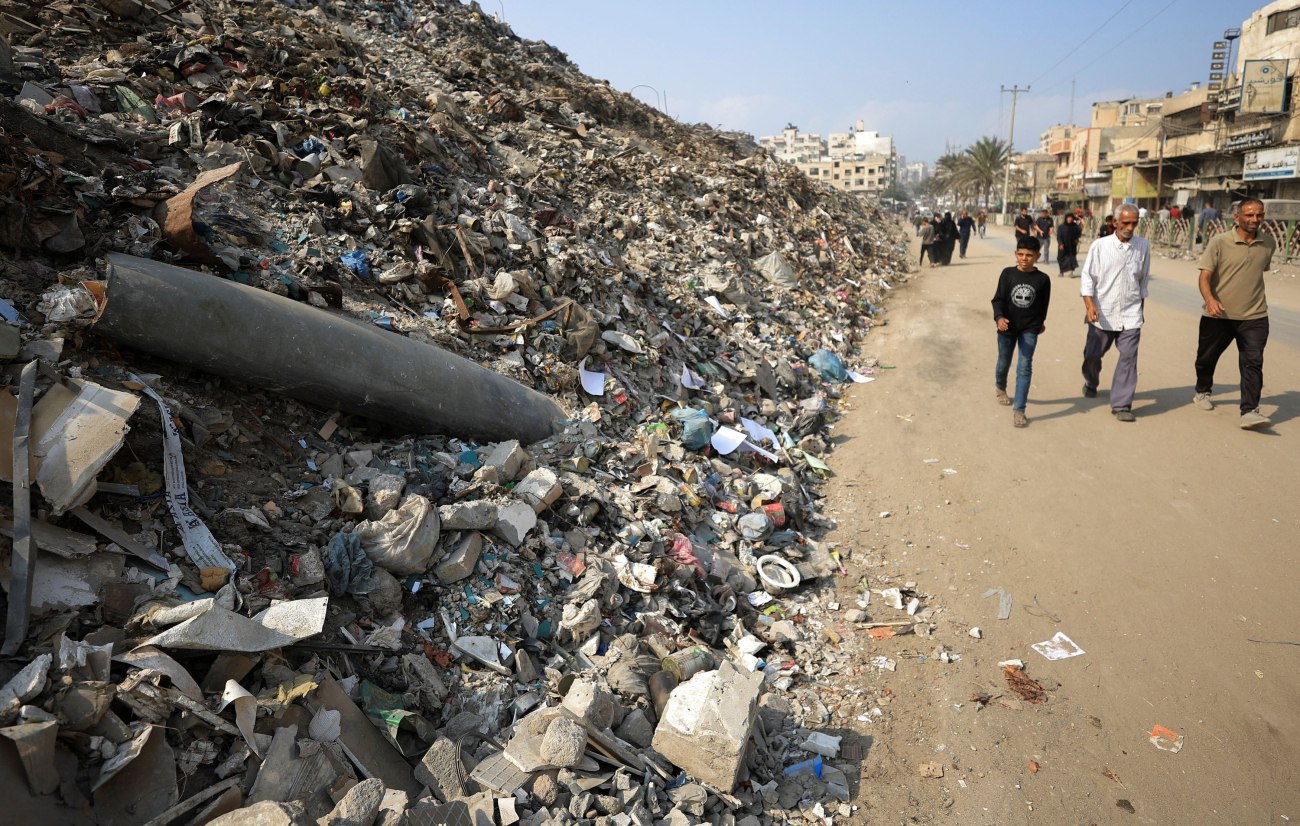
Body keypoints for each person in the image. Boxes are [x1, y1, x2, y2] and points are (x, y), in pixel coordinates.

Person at [1192, 198, 1275, 429]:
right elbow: (1204, 276)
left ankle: (1250, 410)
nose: (1255, 219)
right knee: (1206, 359)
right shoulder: (1220, 242)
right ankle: (1202, 390)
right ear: (1237, 217)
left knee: (1253, 362)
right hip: (1218, 315)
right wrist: (1210, 300)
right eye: (1249, 215)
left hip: (1255, 315)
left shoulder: (1268, 243)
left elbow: (1257, 271)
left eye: (1259, 215)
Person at [1079, 203, 1150, 422]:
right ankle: (1091, 381)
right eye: (1126, 223)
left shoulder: (1143, 246)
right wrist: (1090, 306)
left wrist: (1140, 311)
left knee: (1128, 357)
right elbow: (1087, 278)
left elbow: (1143, 282)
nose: (1130, 227)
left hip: (1131, 314)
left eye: (1134, 223)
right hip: (1102, 313)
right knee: (1093, 355)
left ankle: (1121, 405)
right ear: (1115, 222)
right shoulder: (1100, 246)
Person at [991, 236, 1051, 428]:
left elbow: (1043, 305)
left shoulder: (1043, 279)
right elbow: (998, 300)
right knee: (1004, 361)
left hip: (1029, 329)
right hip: (1007, 327)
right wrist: (999, 318)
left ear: (1037, 256)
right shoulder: (1007, 274)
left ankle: (1019, 410)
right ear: (1016, 254)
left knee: (1024, 367)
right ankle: (1000, 387)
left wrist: (1040, 323)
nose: (1024, 258)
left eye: (1029, 255)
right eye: (1021, 254)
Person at [1056, 212, 1082, 277]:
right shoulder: (1061, 227)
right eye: (1068, 218)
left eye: (1071, 218)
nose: (1070, 219)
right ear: (1066, 218)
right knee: (1061, 258)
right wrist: (1060, 244)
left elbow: (1078, 234)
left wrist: (1077, 239)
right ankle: (1061, 271)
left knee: (1071, 258)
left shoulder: (1075, 227)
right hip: (1063, 245)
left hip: (1072, 245)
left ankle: (1071, 272)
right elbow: (1059, 236)